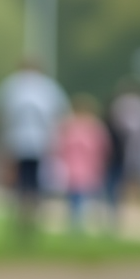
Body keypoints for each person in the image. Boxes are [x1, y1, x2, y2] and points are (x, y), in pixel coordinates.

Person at [0, 59, 70, 240]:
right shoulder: (49, 87)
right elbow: (61, 114)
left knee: (19, 181)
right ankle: (32, 215)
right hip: (41, 142)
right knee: (34, 181)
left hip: (15, 141)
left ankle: (21, 215)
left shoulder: (11, 85)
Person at [54, 94, 109, 232]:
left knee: (77, 194)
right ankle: (81, 222)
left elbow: (61, 145)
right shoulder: (94, 127)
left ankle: (77, 221)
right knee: (85, 194)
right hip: (86, 165)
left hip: (78, 165)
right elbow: (103, 147)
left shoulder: (70, 126)